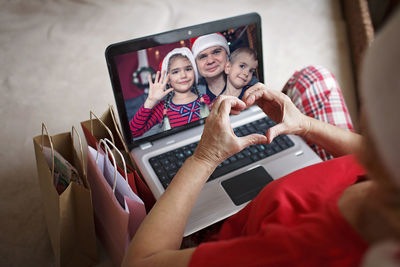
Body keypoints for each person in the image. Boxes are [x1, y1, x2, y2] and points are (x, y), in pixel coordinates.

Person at [122, 10, 400, 267]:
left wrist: (205, 156)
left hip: (240, 225)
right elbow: (141, 125)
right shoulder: (387, 168)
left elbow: (140, 262)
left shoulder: (295, 251)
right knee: (313, 77)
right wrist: (303, 125)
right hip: (313, 181)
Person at [129, 47, 210, 138]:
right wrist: (150, 101)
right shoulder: (162, 109)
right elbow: (133, 132)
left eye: (188, 69)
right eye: (175, 72)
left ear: (194, 72)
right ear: (168, 80)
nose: (183, 75)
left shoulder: (206, 99)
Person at [191, 33, 230, 101]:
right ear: (196, 64)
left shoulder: (249, 84)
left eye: (216, 52)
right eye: (203, 57)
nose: (210, 61)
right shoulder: (190, 97)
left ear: (227, 55)